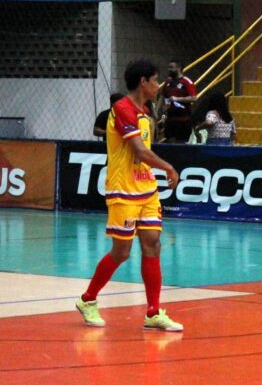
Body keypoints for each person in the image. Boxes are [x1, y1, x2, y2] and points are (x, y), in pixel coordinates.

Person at [76, 60, 183, 331]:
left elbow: (145, 154)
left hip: (146, 188)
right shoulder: (122, 109)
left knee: (153, 244)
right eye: (156, 81)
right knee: (121, 252)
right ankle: (88, 300)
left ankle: (153, 312)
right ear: (143, 82)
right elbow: (139, 151)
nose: (158, 86)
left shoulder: (145, 111)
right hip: (123, 190)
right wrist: (169, 167)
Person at [162, 58, 197, 143]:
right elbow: (163, 95)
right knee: (169, 142)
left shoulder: (187, 82)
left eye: (171, 67)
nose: (169, 69)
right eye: (169, 67)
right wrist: (162, 108)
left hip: (183, 120)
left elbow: (194, 98)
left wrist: (177, 99)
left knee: (181, 144)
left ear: (179, 68)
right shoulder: (168, 81)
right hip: (170, 120)